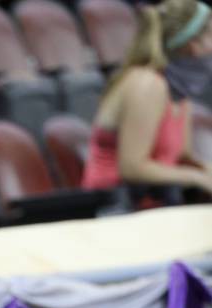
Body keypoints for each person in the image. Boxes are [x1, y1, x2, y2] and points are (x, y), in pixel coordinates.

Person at [81, 0, 212, 196]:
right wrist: (196, 177)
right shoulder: (146, 85)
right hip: (115, 205)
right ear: (193, 44)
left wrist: (205, 169)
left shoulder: (178, 89)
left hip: (154, 202)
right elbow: (132, 167)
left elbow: (181, 158)